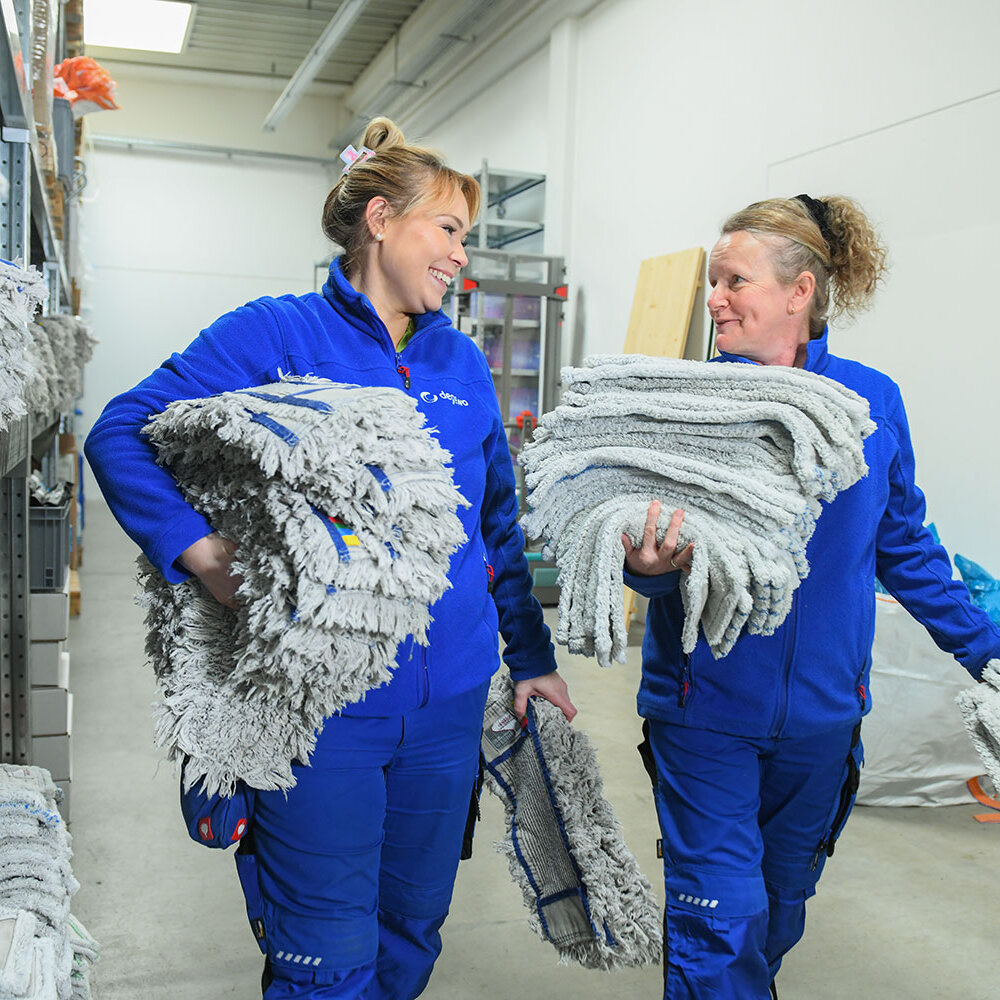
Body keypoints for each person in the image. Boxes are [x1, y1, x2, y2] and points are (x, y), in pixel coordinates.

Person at [84, 116, 576, 1000]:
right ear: (381, 219)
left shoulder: (460, 360)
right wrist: (197, 552)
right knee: (322, 954)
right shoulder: (273, 335)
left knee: (411, 932)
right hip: (323, 708)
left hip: (448, 707)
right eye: (450, 229)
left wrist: (531, 660)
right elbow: (120, 429)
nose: (462, 254)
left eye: (470, 236)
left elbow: (495, 525)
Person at [620, 194, 1000, 999]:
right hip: (705, 708)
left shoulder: (871, 402)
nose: (714, 297)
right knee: (719, 917)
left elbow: (903, 544)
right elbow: (643, 554)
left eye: (734, 281)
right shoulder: (687, 401)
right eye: (713, 281)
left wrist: (987, 649)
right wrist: (650, 567)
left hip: (825, 721)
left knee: (777, 914)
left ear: (799, 292)